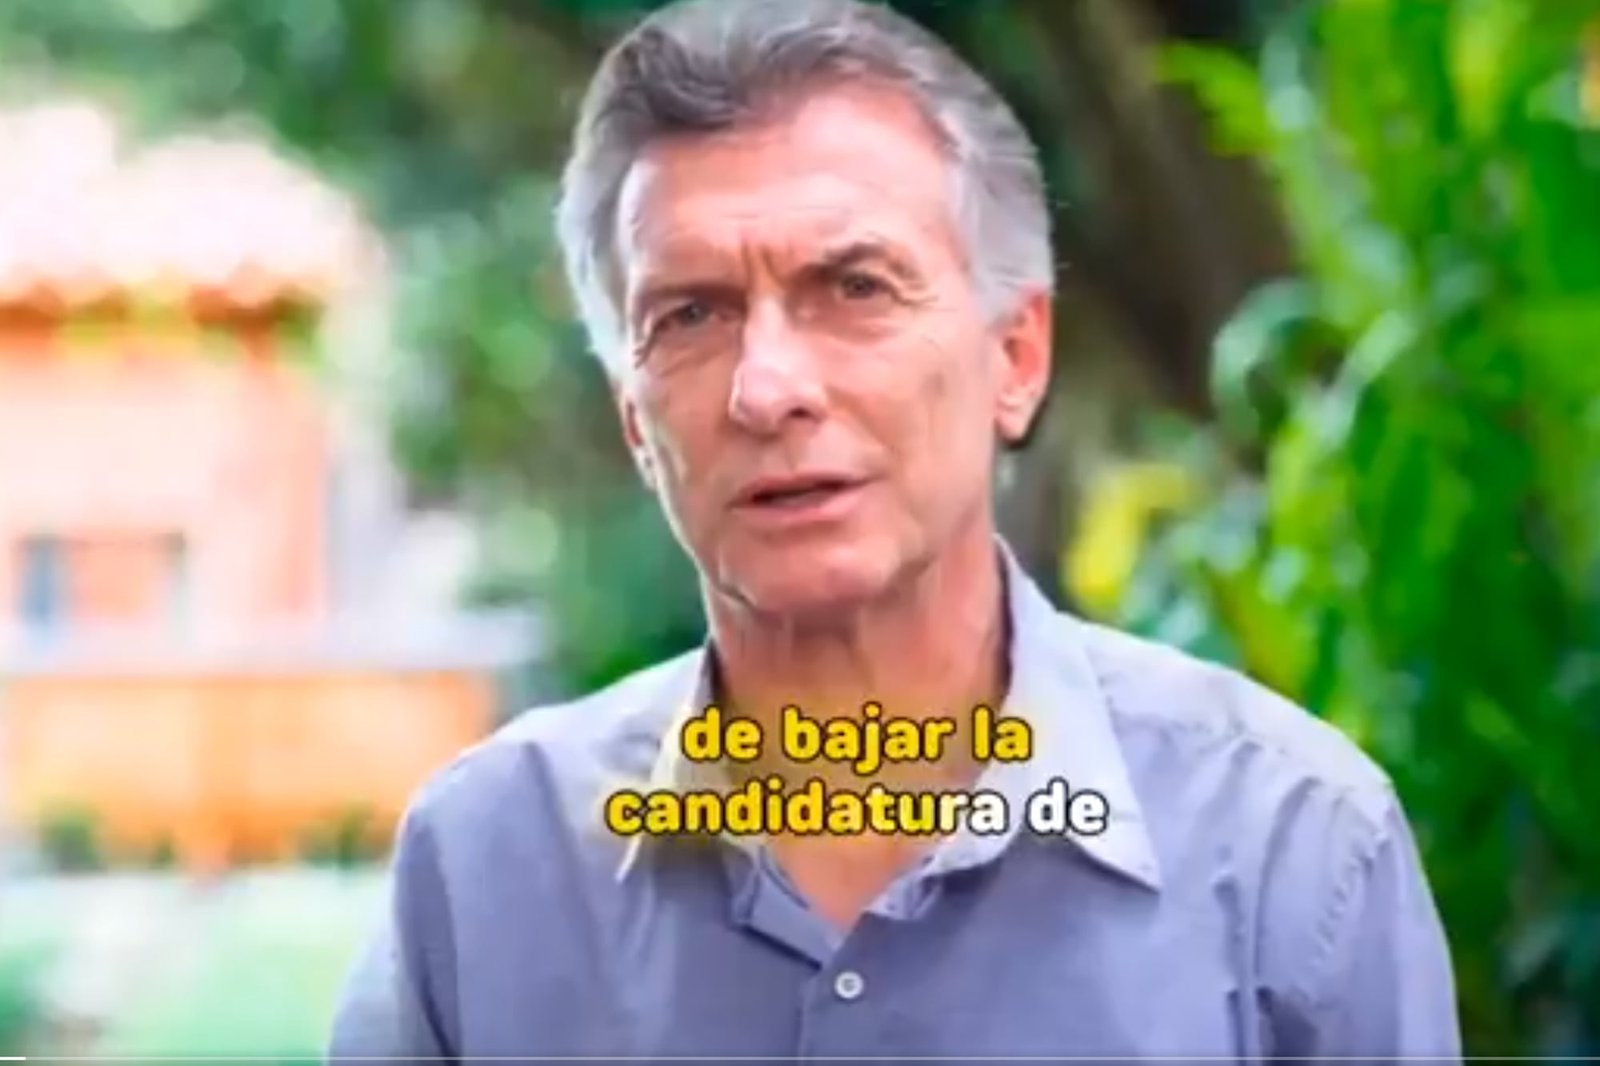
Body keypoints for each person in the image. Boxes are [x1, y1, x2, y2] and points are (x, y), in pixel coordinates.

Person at [327, 0, 1462, 1059]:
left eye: (855, 287)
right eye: (692, 314)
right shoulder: (485, 872)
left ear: (1015, 358)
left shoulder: (1287, 848)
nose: (767, 388)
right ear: (636, 421)